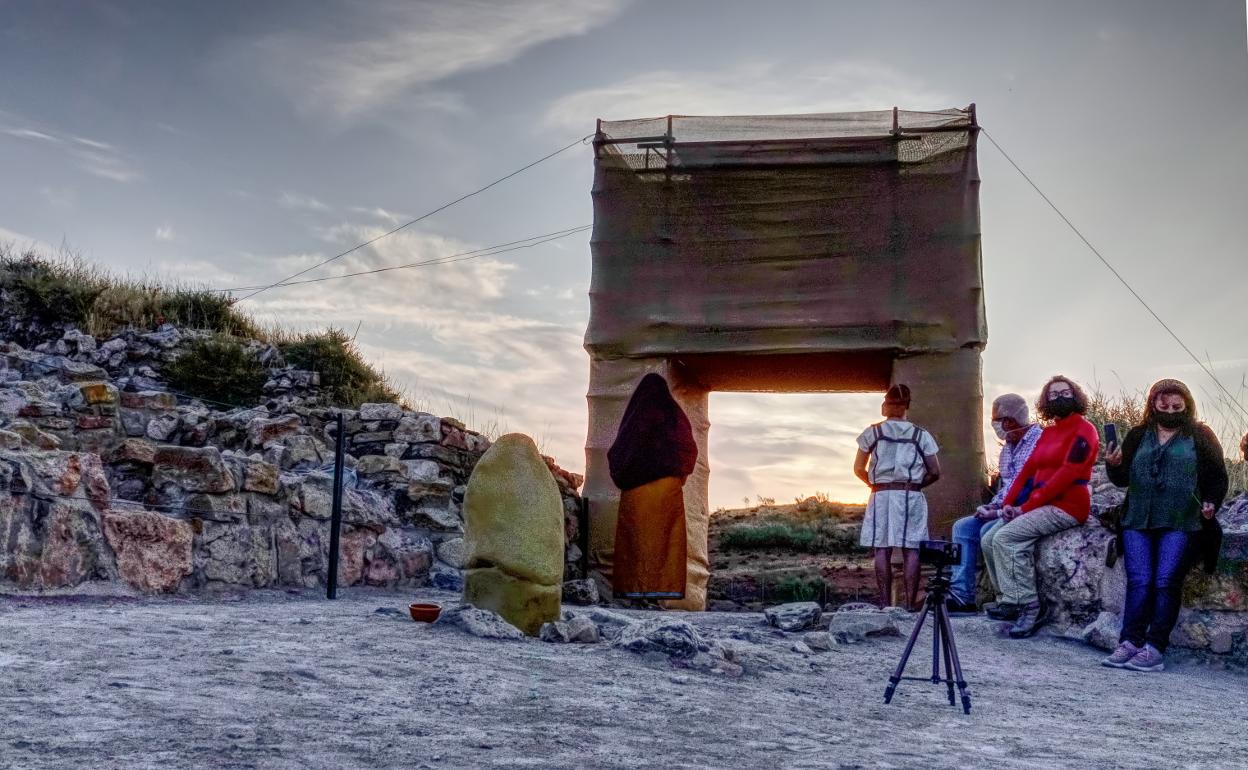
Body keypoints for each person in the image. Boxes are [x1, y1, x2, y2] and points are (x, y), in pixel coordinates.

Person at [1101, 379, 1228, 672]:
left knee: (1165, 582)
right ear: (1153, 404)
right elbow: (1122, 480)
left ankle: (1154, 647)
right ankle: (1129, 642)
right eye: (1164, 404)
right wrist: (1113, 463)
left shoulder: (1200, 435)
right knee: (1140, 581)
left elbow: (1218, 476)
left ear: (1186, 406)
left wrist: (1211, 501)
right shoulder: (1137, 435)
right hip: (1137, 519)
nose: (1170, 410)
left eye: (1176, 405)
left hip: (1182, 520)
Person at [986, 376, 1100, 638]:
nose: (1059, 398)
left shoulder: (1085, 430)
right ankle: (1008, 600)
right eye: (1053, 395)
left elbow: (1068, 473)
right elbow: (1028, 471)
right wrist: (1007, 503)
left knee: (1006, 538)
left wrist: (1026, 507)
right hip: (1040, 504)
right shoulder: (1048, 433)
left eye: (1065, 393)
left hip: (1067, 505)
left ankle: (1028, 606)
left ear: (1076, 396)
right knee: (989, 538)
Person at [946, 394, 1043, 615]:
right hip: (1002, 508)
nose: (997, 426)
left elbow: (1025, 486)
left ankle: (1008, 599)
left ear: (1010, 421)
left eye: (998, 420)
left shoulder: (1038, 442)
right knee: (962, 527)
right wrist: (991, 507)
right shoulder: (1009, 447)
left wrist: (998, 512)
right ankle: (962, 596)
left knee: (989, 533)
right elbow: (1007, 485)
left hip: (1023, 509)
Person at [854, 384, 941, 609]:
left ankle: (885, 605)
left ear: (886, 406)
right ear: (907, 406)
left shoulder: (872, 433)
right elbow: (935, 471)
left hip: (881, 494)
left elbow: (858, 468)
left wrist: (874, 485)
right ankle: (910, 606)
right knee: (911, 549)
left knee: (881, 548)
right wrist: (914, 486)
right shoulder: (921, 436)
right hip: (910, 494)